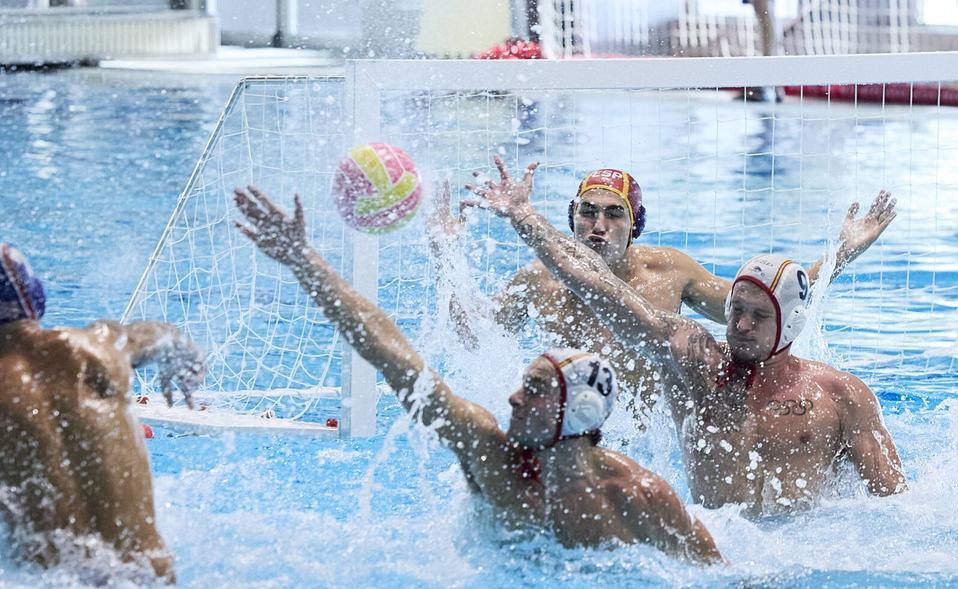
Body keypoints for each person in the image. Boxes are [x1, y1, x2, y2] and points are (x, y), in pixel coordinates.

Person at [233, 186, 722, 564]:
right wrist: (306, 263)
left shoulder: (640, 496)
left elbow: (717, 578)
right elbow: (391, 353)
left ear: (578, 412)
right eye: (587, 211)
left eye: (533, 391)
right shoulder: (489, 453)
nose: (511, 399)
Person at [467, 160, 907, 517]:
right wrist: (523, 217)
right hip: (714, 540)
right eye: (735, 311)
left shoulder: (841, 395)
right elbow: (596, 286)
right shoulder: (693, 358)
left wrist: (842, 253)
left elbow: (897, 512)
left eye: (758, 317)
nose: (740, 326)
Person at [432, 165, 897, 422]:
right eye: (587, 211)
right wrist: (446, 256)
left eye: (614, 214)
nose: (597, 226)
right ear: (572, 216)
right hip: (576, 429)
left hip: (649, 435)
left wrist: (842, 254)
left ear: (635, 225)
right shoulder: (537, 279)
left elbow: (760, 304)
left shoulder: (670, 273)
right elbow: (473, 338)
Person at [0, 243, 205, 582]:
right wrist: (188, 359)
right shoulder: (99, 349)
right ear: (38, 300)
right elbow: (164, 335)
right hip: (153, 582)